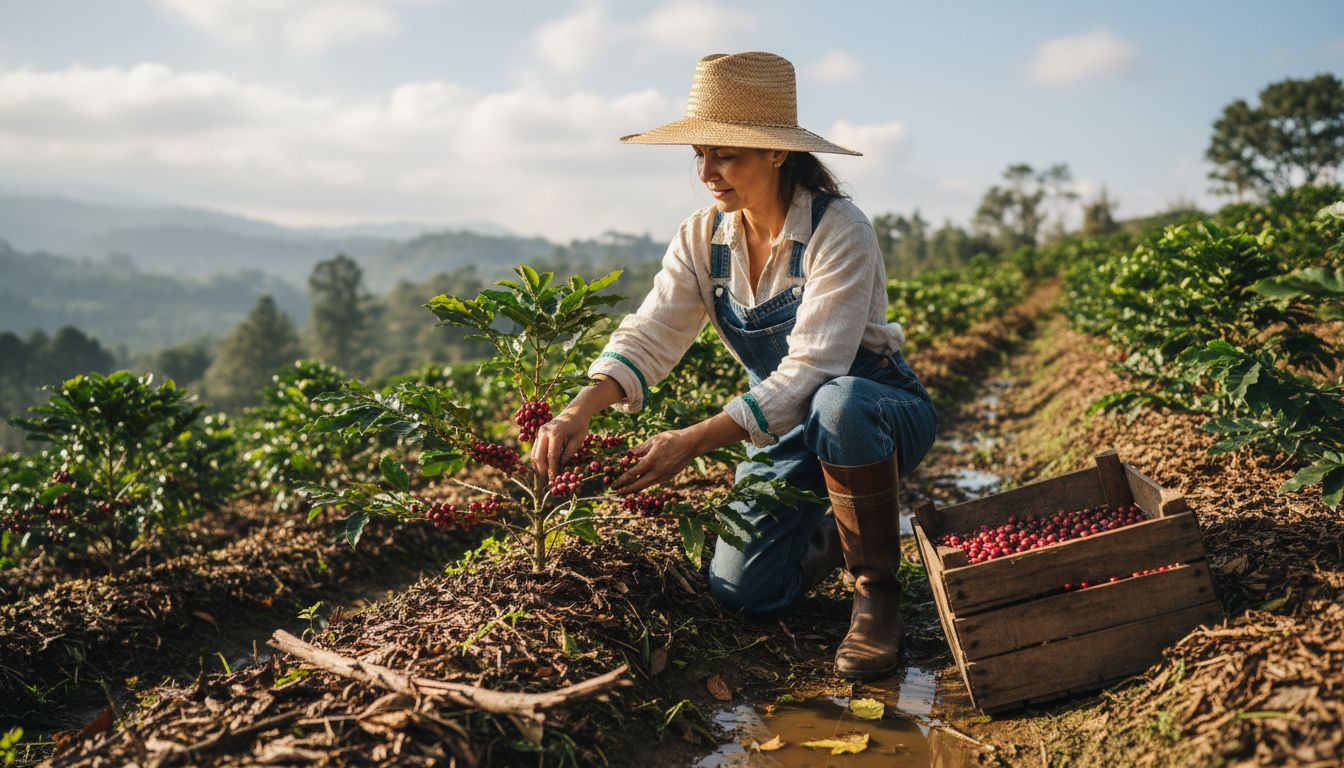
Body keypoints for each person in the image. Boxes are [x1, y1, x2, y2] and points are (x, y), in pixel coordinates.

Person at [531, 51, 937, 680]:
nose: (707, 173)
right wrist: (578, 409)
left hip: (875, 409)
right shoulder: (703, 239)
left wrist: (691, 441)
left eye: (726, 155)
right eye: (700, 155)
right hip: (782, 429)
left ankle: (876, 592)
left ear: (778, 153)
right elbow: (652, 329)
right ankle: (835, 526)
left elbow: (813, 369)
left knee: (837, 403)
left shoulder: (839, 231)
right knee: (743, 593)